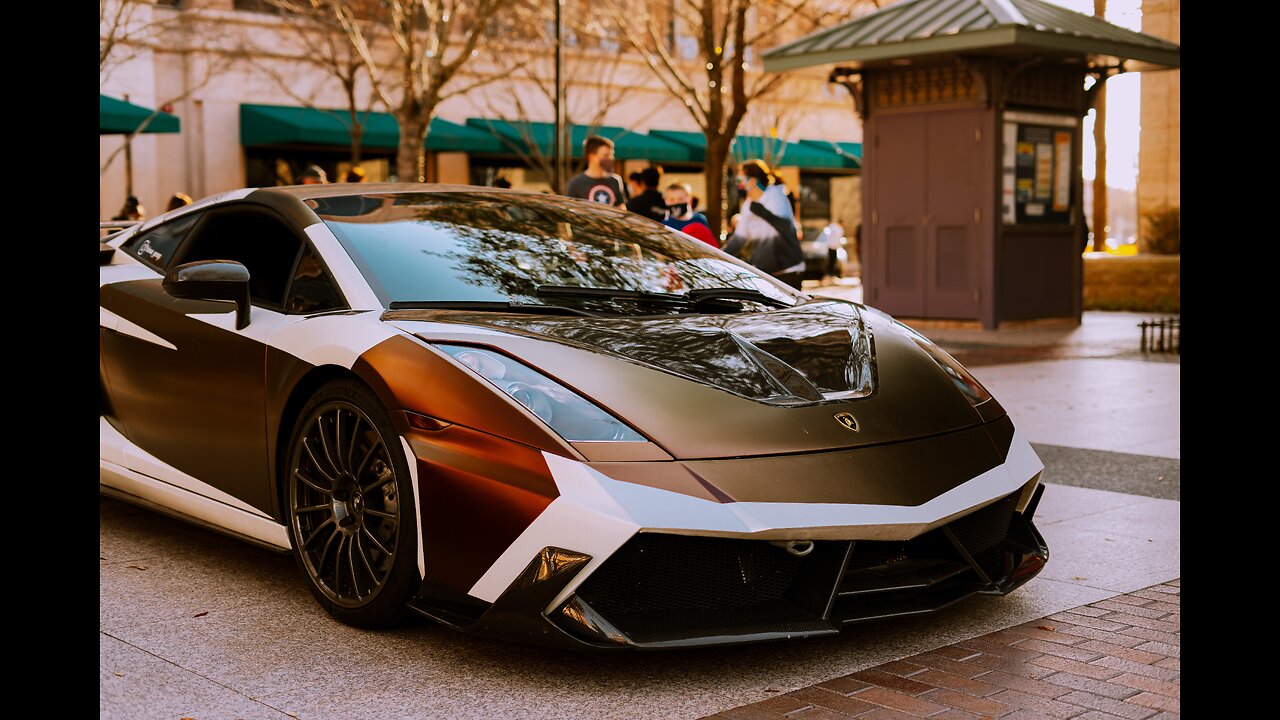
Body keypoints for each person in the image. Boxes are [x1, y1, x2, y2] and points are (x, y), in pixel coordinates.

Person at [722, 159, 804, 289]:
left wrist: (763, 213)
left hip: (787, 270)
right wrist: (719, 256)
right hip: (765, 273)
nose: (738, 185)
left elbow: (785, 227)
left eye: (740, 180)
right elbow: (739, 240)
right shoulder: (748, 205)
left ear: (752, 180)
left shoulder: (777, 197)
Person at [565, 135, 626, 206]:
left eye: (611, 155)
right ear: (591, 157)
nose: (610, 158)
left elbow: (621, 209)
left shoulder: (615, 180)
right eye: (605, 155)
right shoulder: (576, 183)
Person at [662, 182, 717, 248]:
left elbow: (710, 245)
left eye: (680, 199)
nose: (676, 202)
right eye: (672, 200)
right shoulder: (665, 224)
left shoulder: (700, 220)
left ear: (689, 200)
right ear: (666, 201)